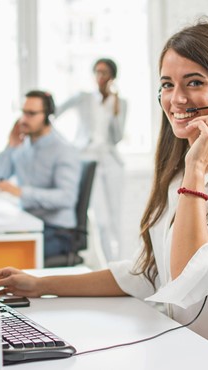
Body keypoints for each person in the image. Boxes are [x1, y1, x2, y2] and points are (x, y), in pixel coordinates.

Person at [0, 20, 208, 369]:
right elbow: (148, 272)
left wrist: (197, 164)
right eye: (167, 85)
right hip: (186, 351)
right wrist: (40, 284)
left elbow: (190, 281)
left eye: (194, 82)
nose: (176, 99)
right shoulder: (180, 176)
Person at [0, 90, 82, 262]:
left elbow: (67, 198)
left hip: (57, 231)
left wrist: (22, 192)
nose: (24, 119)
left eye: (31, 114)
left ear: (47, 116)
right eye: (23, 112)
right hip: (28, 224)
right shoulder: (23, 146)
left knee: (7, 256)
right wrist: (11, 145)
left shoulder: (63, 150)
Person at [54, 58, 127, 261]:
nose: (99, 77)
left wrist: (115, 111)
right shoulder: (83, 98)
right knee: (101, 220)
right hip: (87, 160)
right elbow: (54, 113)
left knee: (115, 219)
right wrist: (70, 146)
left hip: (111, 161)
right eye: (96, 72)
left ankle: (119, 265)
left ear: (112, 76)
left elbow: (118, 137)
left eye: (104, 73)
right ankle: (107, 266)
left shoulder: (120, 103)